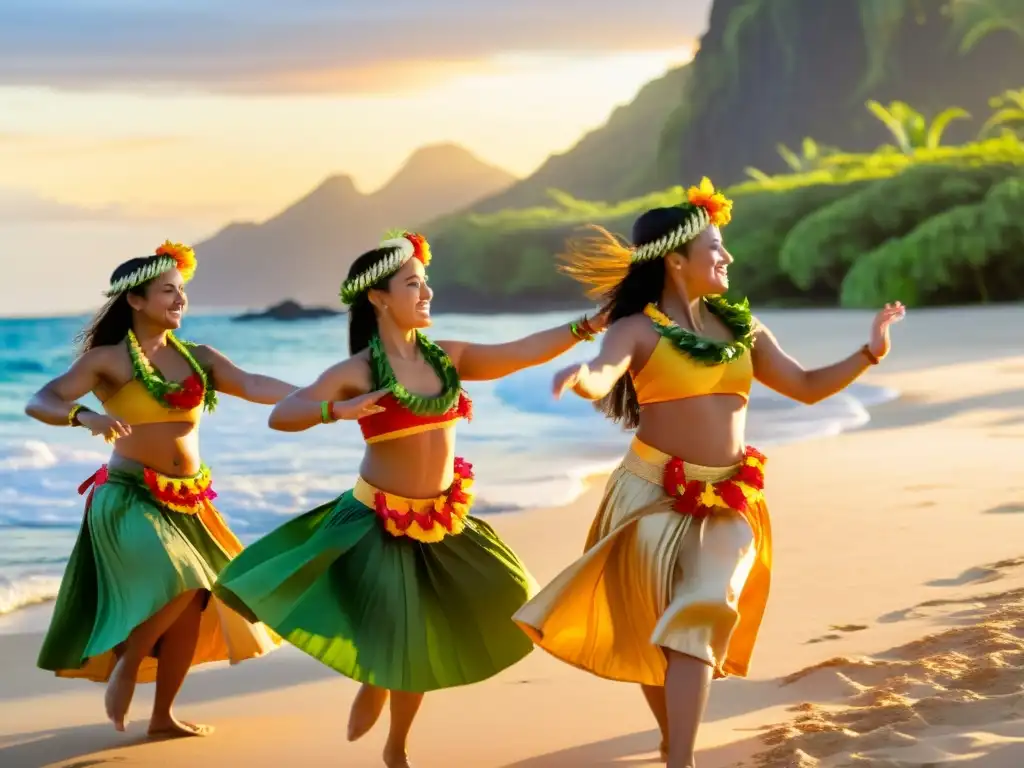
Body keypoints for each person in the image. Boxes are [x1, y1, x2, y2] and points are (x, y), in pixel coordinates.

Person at [512, 178, 905, 767]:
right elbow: (605, 368)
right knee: (652, 629)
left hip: (728, 500)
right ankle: (676, 742)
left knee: (697, 618)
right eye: (715, 247)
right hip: (648, 496)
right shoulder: (637, 329)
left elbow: (803, 386)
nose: (727, 256)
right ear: (676, 260)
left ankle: (682, 762)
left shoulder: (744, 327)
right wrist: (581, 379)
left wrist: (869, 352)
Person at [213, 230, 605, 767]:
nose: (427, 294)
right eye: (414, 284)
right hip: (375, 520)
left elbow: (517, 354)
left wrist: (586, 326)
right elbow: (283, 414)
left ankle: (386, 699)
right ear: (378, 297)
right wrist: (336, 411)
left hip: (443, 521)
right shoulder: (355, 373)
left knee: (515, 595)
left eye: (426, 284)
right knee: (404, 634)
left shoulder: (448, 357)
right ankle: (395, 746)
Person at [26, 242, 297, 738]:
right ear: (135, 300)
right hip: (129, 494)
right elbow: (40, 399)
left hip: (188, 498)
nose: (179, 301)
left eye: (182, 292)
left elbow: (255, 383)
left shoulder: (198, 358)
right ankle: (128, 666)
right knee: (187, 578)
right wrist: (84, 415)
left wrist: (320, 397)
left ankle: (162, 716)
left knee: (195, 600)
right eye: (168, 291)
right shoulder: (106, 360)